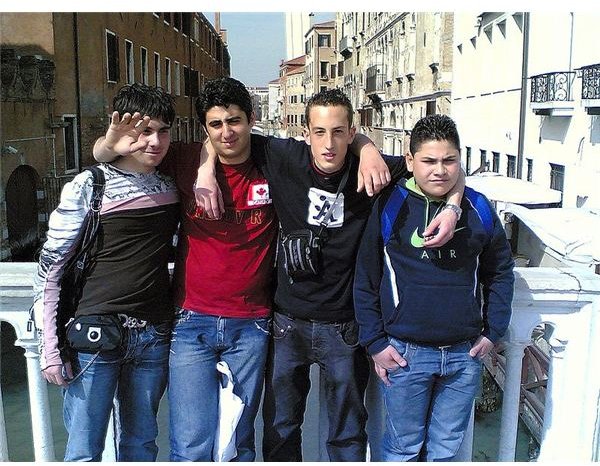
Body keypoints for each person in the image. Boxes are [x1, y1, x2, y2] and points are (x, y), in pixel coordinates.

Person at [92, 77, 389, 461]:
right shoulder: (183, 159)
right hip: (190, 321)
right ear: (205, 129)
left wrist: (366, 147)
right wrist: (200, 168)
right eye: (216, 125)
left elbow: (335, 144)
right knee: (190, 442)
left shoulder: (277, 162)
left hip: (254, 324)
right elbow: (111, 154)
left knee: (240, 442)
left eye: (234, 121)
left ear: (251, 120)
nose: (226, 132)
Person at [196, 89, 465, 461]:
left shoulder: (373, 169)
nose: (328, 144)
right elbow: (224, 138)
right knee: (280, 429)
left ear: (351, 132)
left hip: (345, 327)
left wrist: (451, 207)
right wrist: (205, 168)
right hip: (287, 323)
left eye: (339, 132)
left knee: (347, 435)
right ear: (305, 133)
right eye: (319, 132)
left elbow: (445, 169)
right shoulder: (282, 157)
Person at [353, 114, 515, 461]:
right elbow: (366, 278)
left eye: (449, 160)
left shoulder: (479, 208)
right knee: (403, 448)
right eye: (428, 161)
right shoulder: (388, 206)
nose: (439, 170)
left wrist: (494, 329)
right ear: (410, 161)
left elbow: (500, 271)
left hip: (464, 354)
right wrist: (375, 342)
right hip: (405, 355)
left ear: (460, 160)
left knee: (445, 449)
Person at [33, 83, 179, 461]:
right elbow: (51, 268)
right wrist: (49, 348)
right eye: (144, 131)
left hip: (153, 334)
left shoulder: (170, 186)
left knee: (142, 444)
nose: (155, 141)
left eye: (163, 131)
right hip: (94, 337)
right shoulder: (89, 185)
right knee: (84, 449)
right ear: (124, 131)